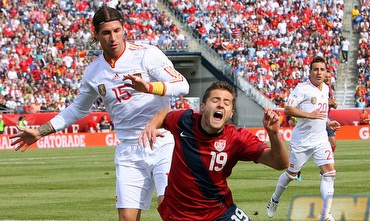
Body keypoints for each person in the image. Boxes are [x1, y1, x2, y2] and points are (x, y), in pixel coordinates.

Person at [10, 5, 189, 221]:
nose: (113, 37)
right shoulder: (94, 72)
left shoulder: (147, 55)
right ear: (96, 34)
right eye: (106, 32)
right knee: (127, 219)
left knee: (170, 210)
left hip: (163, 143)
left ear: (124, 29)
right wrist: (40, 132)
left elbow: (182, 85)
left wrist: (149, 87)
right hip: (129, 151)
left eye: (117, 30)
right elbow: (78, 109)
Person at [138, 81, 289, 221]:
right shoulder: (186, 121)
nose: (221, 105)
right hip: (180, 215)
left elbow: (280, 163)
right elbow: (164, 114)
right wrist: (151, 125)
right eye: (215, 100)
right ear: (202, 107)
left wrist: (274, 134)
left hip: (220, 212)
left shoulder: (237, 139)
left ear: (231, 114)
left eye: (226, 102)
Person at [266, 56, 340, 221]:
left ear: (326, 71)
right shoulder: (302, 88)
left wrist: (328, 121)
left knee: (329, 173)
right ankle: (275, 199)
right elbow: (287, 109)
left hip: (321, 140)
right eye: (315, 69)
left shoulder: (326, 88)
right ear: (310, 71)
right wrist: (309, 115)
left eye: (322, 69)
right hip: (302, 141)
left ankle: (325, 215)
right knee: (291, 174)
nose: (319, 73)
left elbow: (320, 111)